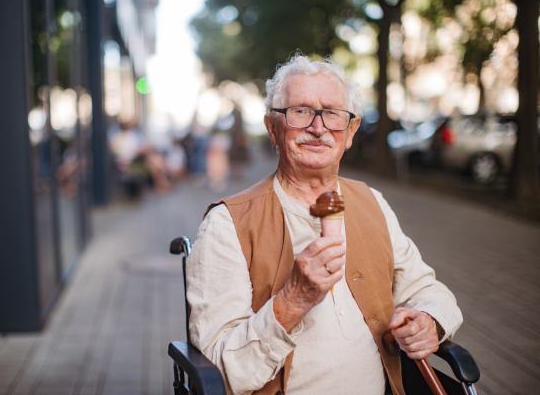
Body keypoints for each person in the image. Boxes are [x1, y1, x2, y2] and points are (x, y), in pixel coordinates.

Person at [186, 54, 462, 395]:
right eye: (300, 111)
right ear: (273, 128)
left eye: (332, 113)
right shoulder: (227, 223)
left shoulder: (372, 201)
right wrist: (293, 300)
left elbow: (427, 290)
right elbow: (219, 371)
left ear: (350, 132)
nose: (318, 128)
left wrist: (428, 321)